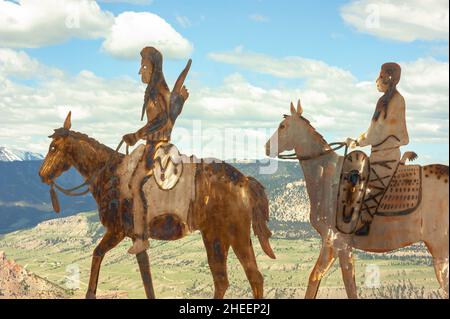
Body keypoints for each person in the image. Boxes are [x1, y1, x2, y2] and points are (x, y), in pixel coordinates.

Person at [123, 47, 191, 254]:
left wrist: (136, 135)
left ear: (154, 68)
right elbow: (169, 115)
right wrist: (178, 103)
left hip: (157, 147)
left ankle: (141, 238)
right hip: (152, 145)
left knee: (135, 185)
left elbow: (162, 120)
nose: (140, 71)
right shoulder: (159, 91)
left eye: (144, 66)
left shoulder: (158, 91)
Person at [348, 62, 409, 236]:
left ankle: (365, 224)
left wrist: (358, 143)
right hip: (379, 153)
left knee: (370, 188)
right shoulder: (385, 100)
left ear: (389, 79)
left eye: (380, 77)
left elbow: (378, 132)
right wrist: (358, 140)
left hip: (386, 156)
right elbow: (373, 130)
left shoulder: (395, 100)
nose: (377, 80)